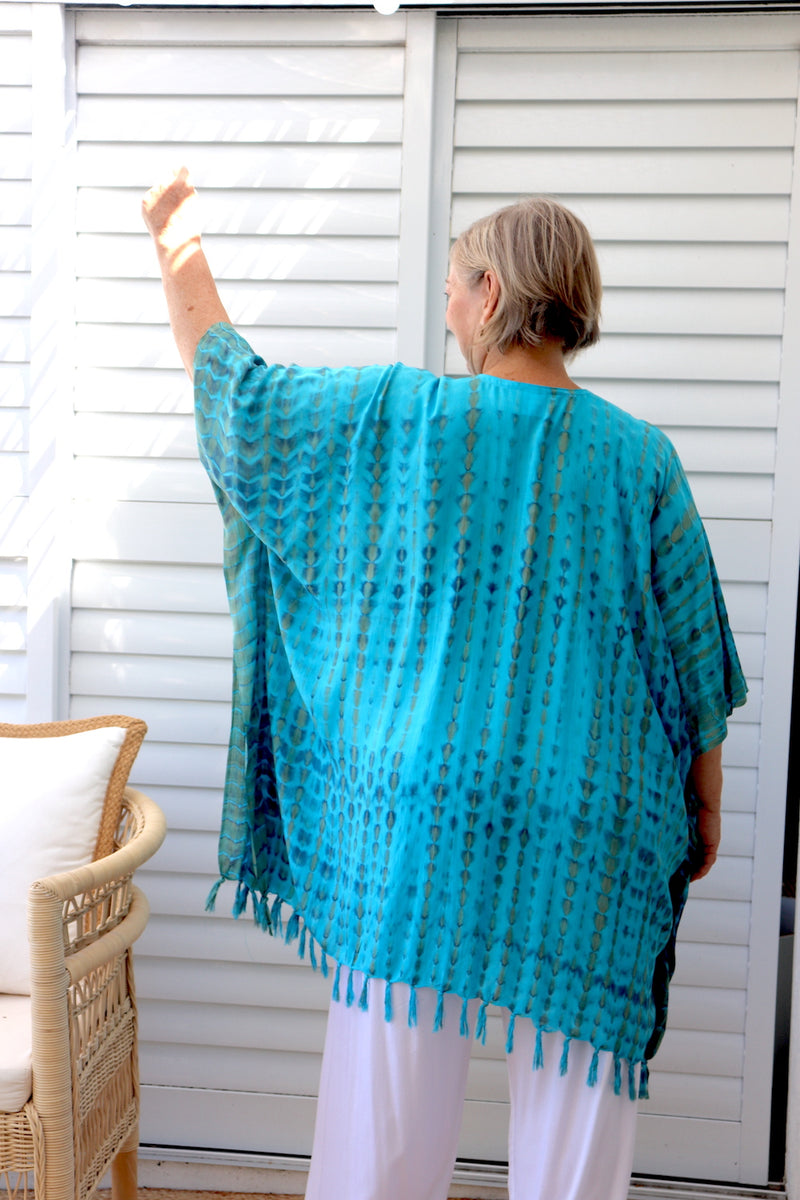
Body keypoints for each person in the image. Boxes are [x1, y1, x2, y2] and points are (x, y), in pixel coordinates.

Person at [143, 169, 747, 1200]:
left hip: (425, 815)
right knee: (578, 1109)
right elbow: (694, 662)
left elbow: (239, 404)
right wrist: (704, 808)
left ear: (493, 292)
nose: (450, 310)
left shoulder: (400, 417)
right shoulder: (642, 460)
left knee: (383, 1113)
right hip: (591, 823)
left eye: (455, 288)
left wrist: (175, 247)